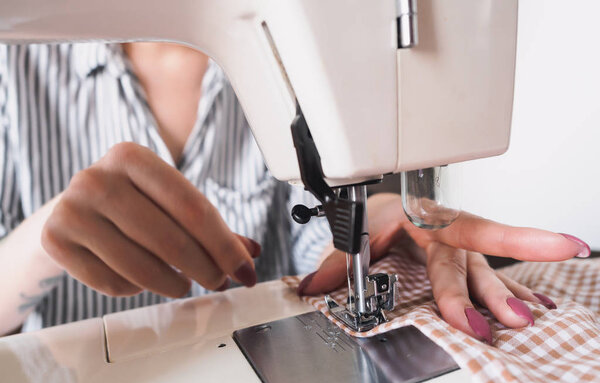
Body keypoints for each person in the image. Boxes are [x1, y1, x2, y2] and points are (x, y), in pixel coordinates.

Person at [0, 42, 590, 342]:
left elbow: (314, 228)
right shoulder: (14, 62)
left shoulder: (280, 64)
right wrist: (39, 244)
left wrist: (393, 215)